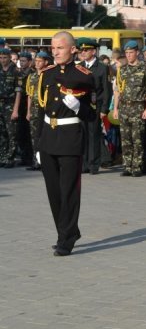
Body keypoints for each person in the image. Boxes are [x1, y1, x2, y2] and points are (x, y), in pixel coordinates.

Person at [37, 31, 94, 255]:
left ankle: (65, 238)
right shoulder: (46, 74)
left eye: (59, 48)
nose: (55, 52)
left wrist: (79, 107)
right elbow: (40, 110)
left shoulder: (84, 75)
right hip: (49, 138)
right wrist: (38, 144)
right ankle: (67, 230)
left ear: (72, 49)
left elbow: (93, 114)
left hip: (70, 136)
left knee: (69, 190)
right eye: (53, 48)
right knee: (54, 191)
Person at [112, 40, 146, 177]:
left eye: (131, 52)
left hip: (138, 108)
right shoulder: (122, 70)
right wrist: (116, 109)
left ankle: (137, 166)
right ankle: (127, 166)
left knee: (138, 139)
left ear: (137, 53)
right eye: (127, 53)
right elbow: (118, 90)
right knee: (125, 139)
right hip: (124, 107)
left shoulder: (144, 68)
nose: (129, 55)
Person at [76, 37, 110, 175]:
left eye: (86, 50)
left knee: (94, 135)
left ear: (93, 51)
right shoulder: (80, 67)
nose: (83, 53)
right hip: (82, 105)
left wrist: (104, 109)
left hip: (96, 105)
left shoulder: (102, 67)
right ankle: (84, 164)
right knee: (83, 135)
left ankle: (94, 164)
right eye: (81, 50)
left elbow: (107, 90)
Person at [25, 49, 51, 170]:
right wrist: (28, 111)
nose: (37, 63)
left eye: (40, 61)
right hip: (35, 109)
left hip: (46, 109)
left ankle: (47, 161)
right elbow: (29, 95)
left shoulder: (49, 75)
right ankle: (36, 161)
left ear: (46, 62)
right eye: (36, 61)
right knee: (34, 136)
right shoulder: (32, 76)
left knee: (46, 135)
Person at [0, 45, 19, 167]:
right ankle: (2, 157)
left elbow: (18, 91)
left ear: (9, 58)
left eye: (5, 57)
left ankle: (10, 158)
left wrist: (15, 110)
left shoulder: (15, 71)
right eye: (0, 57)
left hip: (10, 104)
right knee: (1, 133)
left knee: (12, 133)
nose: (2, 60)